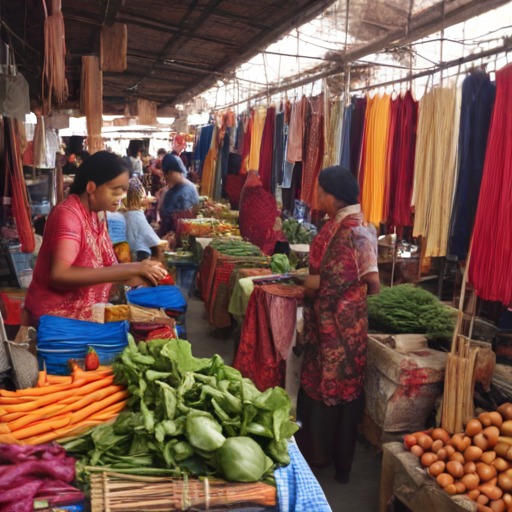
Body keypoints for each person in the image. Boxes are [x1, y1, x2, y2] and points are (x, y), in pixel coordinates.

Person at [294, 165, 380, 484]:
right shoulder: (361, 227)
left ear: (331, 196)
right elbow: (370, 284)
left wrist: (297, 284)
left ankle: (318, 458)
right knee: (347, 392)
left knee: (325, 389)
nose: (316, 195)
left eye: (318, 190)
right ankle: (338, 464)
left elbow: (318, 285)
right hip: (352, 328)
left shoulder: (340, 232)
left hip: (332, 330)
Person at [24, 151, 167, 324]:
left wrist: (147, 272)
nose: (121, 198)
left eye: (123, 191)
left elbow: (105, 270)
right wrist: (136, 268)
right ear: (91, 187)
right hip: (56, 320)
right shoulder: (68, 215)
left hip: (85, 314)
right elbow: (60, 276)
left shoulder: (96, 215)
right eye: (115, 191)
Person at [124, 178, 165, 262]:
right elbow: (151, 237)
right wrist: (165, 242)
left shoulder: (127, 214)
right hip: (140, 257)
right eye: (143, 197)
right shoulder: (136, 215)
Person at [159, 153, 199, 234]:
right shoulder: (170, 189)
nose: (166, 178)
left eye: (166, 174)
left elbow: (185, 220)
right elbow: (162, 213)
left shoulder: (188, 189)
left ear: (171, 173)